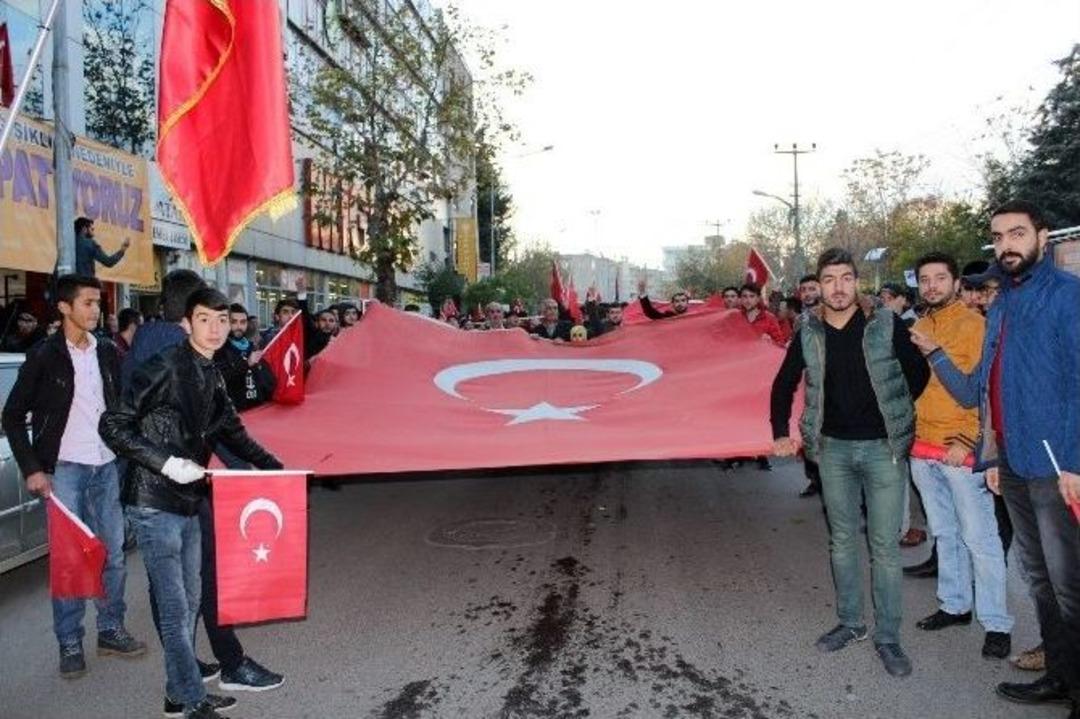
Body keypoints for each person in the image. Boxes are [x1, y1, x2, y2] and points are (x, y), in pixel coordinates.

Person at [910, 200, 1080, 717]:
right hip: (1010, 461)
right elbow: (978, 390)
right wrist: (990, 456)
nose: (1007, 244)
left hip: (1057, 466)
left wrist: (1074, 464)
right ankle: (1059, 675)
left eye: (1017, 233)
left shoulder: (1068, 297)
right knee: (1040, 581)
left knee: (1069, 585)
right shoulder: (1002, 304)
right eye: (998, 236)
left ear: (1042, 238)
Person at [101, 287, 284, 719]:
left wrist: (278, 469)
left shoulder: (212, 372)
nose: (216, 328)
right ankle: (193, 702)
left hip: (188, 496)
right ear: (186, 324)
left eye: (223, 320)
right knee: (175, 605)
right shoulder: (164, 366)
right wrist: (165, 463)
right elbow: (113, 425)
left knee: (191, 599)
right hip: (152, 499)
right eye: (205, 319)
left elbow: (233, 431)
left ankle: (177, 692)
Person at [771, 247, 930, 678]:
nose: (837, 287)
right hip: (833, 451)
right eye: (829, 279)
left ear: (856, 281)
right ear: (818, 286)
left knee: (884, 548)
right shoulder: (807, 329)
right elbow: (784, 384)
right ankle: (851, 623)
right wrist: (781, 433)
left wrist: (895, 410)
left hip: (883, 449)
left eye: (845, 278)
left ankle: (888, 637)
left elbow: (917, 372)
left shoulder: (884, 322)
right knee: (841, 542)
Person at [1, 274, 146, 678]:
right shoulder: (44, 356)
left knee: (113, 554)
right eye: (87, 303)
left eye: (98, 303)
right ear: (64, 307)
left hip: (106, 466)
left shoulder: (107, 352)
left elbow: (123, 405)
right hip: (64, 470)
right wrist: (32, 469)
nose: (96, 310)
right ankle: (69, 641)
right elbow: (12, 416)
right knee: (69, 560)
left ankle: (111, 629)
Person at [906, 251, 1012, 660]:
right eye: (925, 279)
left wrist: (968, 441)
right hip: (922, 449)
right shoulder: (918, 325)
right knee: (945, 533)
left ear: (955, 283)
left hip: (959, 452)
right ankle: (954, 605)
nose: (931, 286)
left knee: (981, 539)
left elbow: (983, 392)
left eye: (939, 278)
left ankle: (997, 623)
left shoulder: (975, 325)